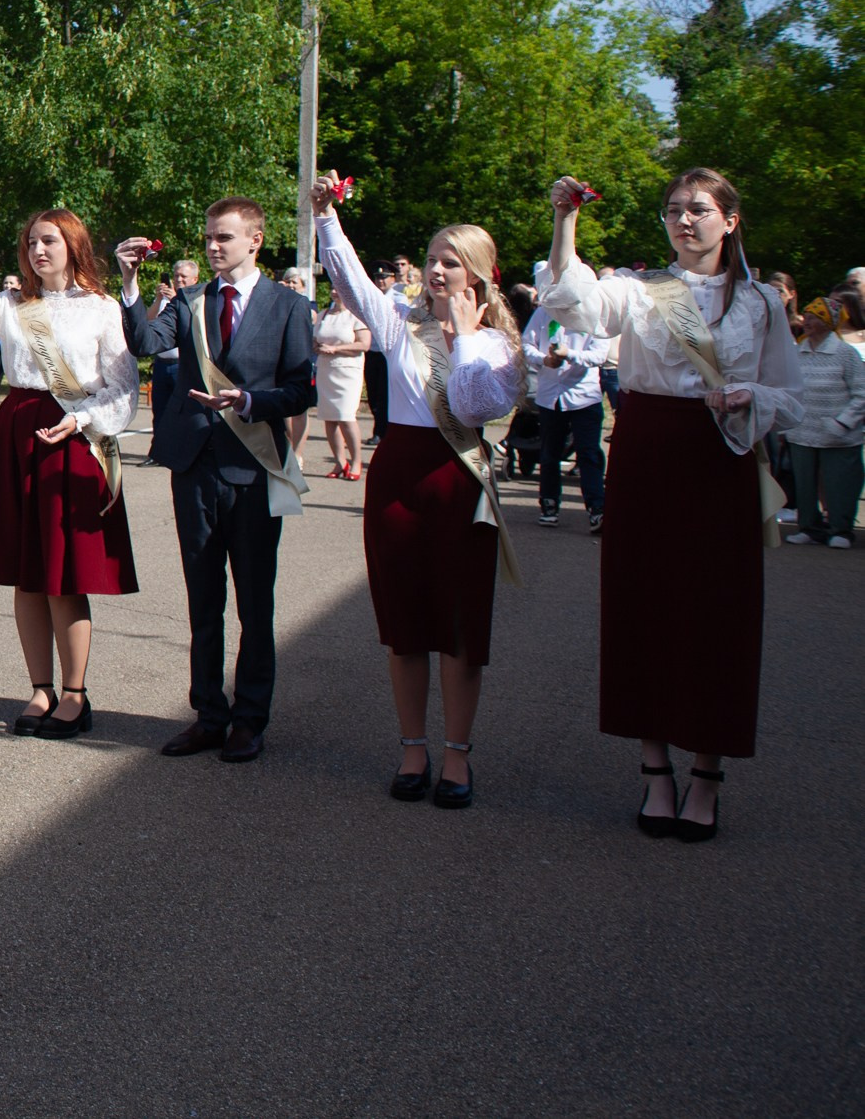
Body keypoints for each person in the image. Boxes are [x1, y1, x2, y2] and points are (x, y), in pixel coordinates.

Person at [539, 168, 803, 843]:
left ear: (730, 219)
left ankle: (707, 772)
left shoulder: (763, 303)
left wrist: (752, 398)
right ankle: (655, 768)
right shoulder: (640, 288)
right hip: (648, 453)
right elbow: (576, 305)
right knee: (644, 608)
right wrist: (566, 218)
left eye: (701, 209)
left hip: (721, 458)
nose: (686, 220)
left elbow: (792, 397)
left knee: (719, 614)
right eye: (675, 210)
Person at [313, 182, 526, 807]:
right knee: (404, 620)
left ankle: (457, 754)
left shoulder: (501, 345)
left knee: (459, 624)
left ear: (479, 276)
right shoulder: (400, 322)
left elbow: (473, 406)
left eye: (451, 261)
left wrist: (461, 340)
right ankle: (412, 747)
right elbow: (350, 281)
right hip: (399, 474)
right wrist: (326, 215)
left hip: (457, 477)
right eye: (432, 258)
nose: (436, 269)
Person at [0, 211, 138, 738]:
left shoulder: (102, 308)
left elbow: (123, 385)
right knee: (25, 573)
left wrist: (82, 420)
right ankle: (39, 689)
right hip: (18, 432)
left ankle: (75, 693)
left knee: (64, 577)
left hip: (70, 436)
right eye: (32, 241)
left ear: (74, 245)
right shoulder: (12, 305)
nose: (39, 249)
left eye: (50, 240)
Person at [115, 198, 316, 763]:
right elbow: (146, 343)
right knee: (203, 599)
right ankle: (208, 713)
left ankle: (249, 719)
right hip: (197, 467)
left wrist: (252, 400)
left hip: (252, 467)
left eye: (224, 238)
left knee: (254, 602)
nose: (212, 246)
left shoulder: (288, 306)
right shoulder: (192, 300)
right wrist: (129, 284)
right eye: (208, 237)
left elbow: (304, 390)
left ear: (255, 240)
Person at [520, 285, 612, 532]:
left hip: (584, 397)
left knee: (588, 453)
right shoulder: (543, 314)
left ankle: (597, 507)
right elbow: (527, 345)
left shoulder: (593, 316)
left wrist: (569, 354)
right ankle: (549, 504)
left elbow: (599, 355)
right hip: (550, 397)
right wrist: (544, 359)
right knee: (550, 453)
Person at [782, 297, 865, 547]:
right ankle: (809, 527)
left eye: (814, 317)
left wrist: (843, 423)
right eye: (806, 315)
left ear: (829, 322)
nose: (806, 321)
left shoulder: (845, 353)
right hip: (803, 431)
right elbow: (788, 387)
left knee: (840, 482)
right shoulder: (797, 351)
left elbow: (862, 392)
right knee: (804, 481)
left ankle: (841, 530)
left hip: (839, 435)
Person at [141, 258, 199, 466]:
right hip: (162, 364)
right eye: (176, 276)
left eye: (184, 276)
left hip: (184, 365)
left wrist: (177, 299)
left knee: (185, 411)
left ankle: (185, 452)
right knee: (160, 410)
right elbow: (148, 321)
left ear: (195, 278)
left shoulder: (198, 298)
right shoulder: (166, 299)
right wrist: (158, 300)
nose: (179, 280)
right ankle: (158, 452)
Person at [313, 287, 371, 480]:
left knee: (345, 416)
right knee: (329, 417)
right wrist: (317, 347)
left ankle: (356, 462)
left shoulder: (356, 316)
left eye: (339, 288)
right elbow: (314, 339)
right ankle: (340, 462)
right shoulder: (323, 315)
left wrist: (336, 349)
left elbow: (364, 344)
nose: (334, 291)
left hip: (347, 370)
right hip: (325, 369)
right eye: (332, 288)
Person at [279, 267, 318, 457]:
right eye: (289, 281)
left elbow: (311, 318)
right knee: (284, 408)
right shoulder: (277, 301)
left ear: (303, 286)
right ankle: (288, 448)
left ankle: (298, 452)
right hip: (280, 362)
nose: (292, 285)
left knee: (300, 408)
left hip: (302, 361)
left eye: (295, 282)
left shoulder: (309, 305)